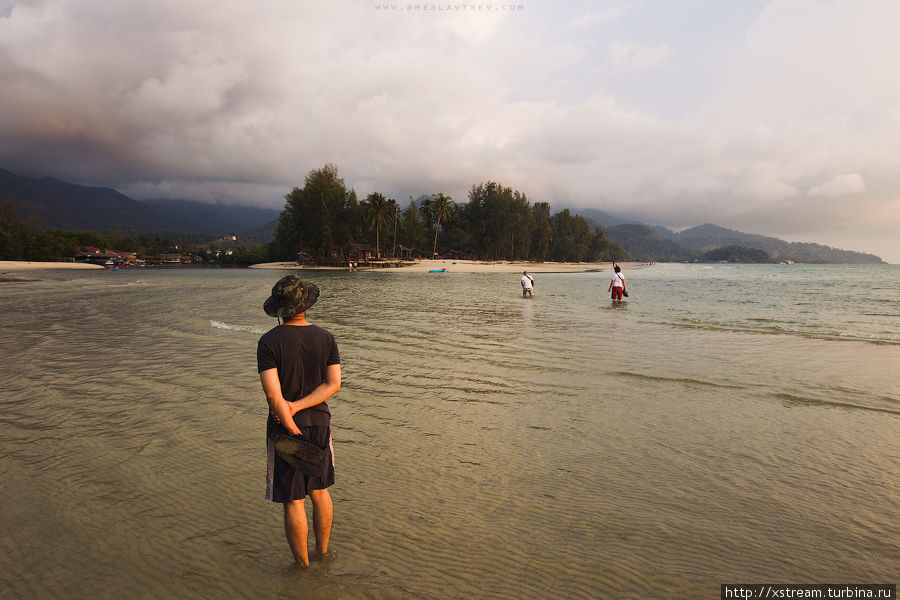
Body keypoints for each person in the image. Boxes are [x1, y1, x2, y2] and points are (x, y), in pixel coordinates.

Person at [257, 275, 341, 566]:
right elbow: (333, 385)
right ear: (306, 305)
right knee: (320, 492)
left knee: (294, 501)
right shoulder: (326, 337)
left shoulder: (269, 342)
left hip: (284, 429)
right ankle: (323, 554)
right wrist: (300, 407)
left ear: (280, 311)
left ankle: (302, 569)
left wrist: (291, 421)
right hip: (319, 423)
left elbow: (272, 395)